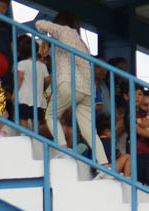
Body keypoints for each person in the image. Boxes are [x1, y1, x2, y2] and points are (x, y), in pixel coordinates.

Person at [35, 12, 108, 166]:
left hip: (69, 83)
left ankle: (63, 149)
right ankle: (104, 165)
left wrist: (45, 40)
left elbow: (39, 24)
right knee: (90, 132)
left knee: (50, 115)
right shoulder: (82, 43)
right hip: (87, 90)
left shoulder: (64, 31)